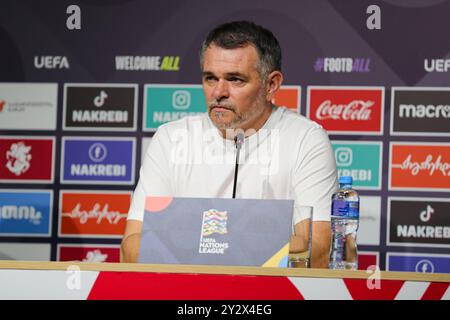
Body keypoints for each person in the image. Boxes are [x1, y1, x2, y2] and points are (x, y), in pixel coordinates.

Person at [121, 20, 338, 268]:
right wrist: (251, 243)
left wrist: (192, 242)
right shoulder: (170, 139)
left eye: (235, 80)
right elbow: (132, 249)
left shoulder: (306, 139)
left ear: (271, 84)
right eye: (210, 78)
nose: (219, 92)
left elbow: (316, 250)